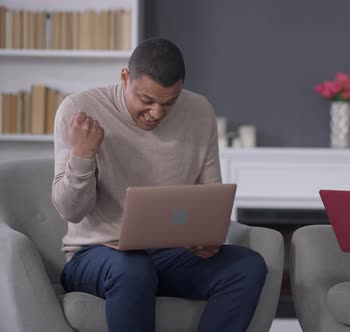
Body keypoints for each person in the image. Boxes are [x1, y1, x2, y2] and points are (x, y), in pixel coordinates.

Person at [51, 38, 268, 332]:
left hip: (169, 254)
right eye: (146, 100)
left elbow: (209, 196)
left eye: (169, 102)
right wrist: (83, 155)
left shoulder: (199, 110)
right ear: (125, 78)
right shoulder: (79, 110)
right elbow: (70, 211)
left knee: (247, 266)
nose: (156, 113)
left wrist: (205, 234)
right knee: (133, 268)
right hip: (94, 255)